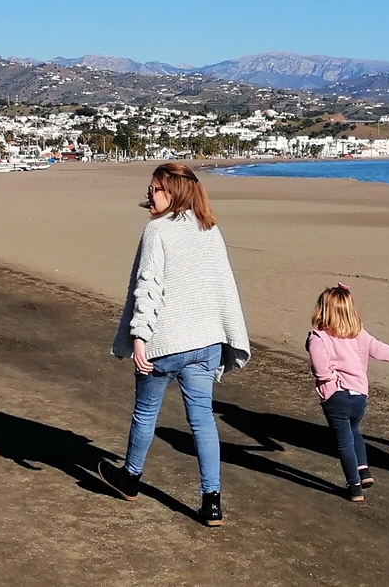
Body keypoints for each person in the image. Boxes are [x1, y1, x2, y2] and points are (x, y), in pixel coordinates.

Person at [101, 162, 250, 527]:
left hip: (166, 342)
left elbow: (148, 288)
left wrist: (139, 337)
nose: (148, 195)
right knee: (202, 420)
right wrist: (226, 334)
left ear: (176, 192)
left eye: (155, 189)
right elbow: (222, 289)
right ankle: (211, 501)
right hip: (206, 341)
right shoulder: (209, 229)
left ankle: (130, 478)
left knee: (146, 413)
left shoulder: (158, 231)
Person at [306, 284, 389, 501]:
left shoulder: (317, 337)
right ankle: (363, 470)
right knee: (355, 429)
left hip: (336, 395)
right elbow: (380, 349)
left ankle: (354, 484)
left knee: (344, 441)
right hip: (359, 395)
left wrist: (330, 379)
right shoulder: (360, 335)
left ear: (322, 310)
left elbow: (320, 369)